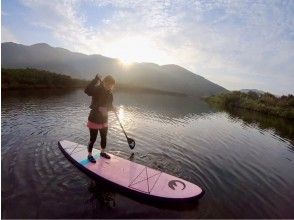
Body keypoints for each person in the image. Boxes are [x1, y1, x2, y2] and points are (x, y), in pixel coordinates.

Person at [84, 74, 116, 162]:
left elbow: (109, 106)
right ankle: (89, 155)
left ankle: (102, 152)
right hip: (94, 118)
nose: (109, 86)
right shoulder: (97, 89)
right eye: (108, 84)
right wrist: (95, 80)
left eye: (111, 85)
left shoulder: (110, 94)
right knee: (93, 139)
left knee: (104, 137)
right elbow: (87, 91)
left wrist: (112, 108)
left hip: (104, 120)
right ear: (104, 82)